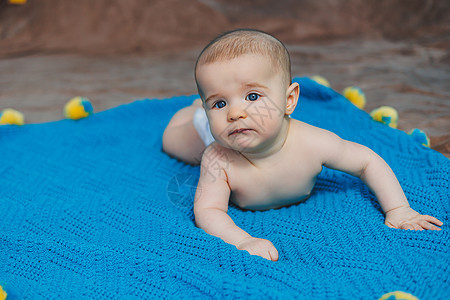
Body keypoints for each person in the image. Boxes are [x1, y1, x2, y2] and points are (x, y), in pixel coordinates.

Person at [162, 29, 443, 261]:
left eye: (252, 96)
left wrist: (399, 209)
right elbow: (208, 211)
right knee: (173, 140)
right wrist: (242, 240)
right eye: (220, 103)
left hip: (236, 129)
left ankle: (201, 104)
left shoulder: (313, 142)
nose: (235, 113)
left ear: (289, 100)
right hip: (207, 133)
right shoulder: (218, 157)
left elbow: (366, 161)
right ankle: (195, 110)